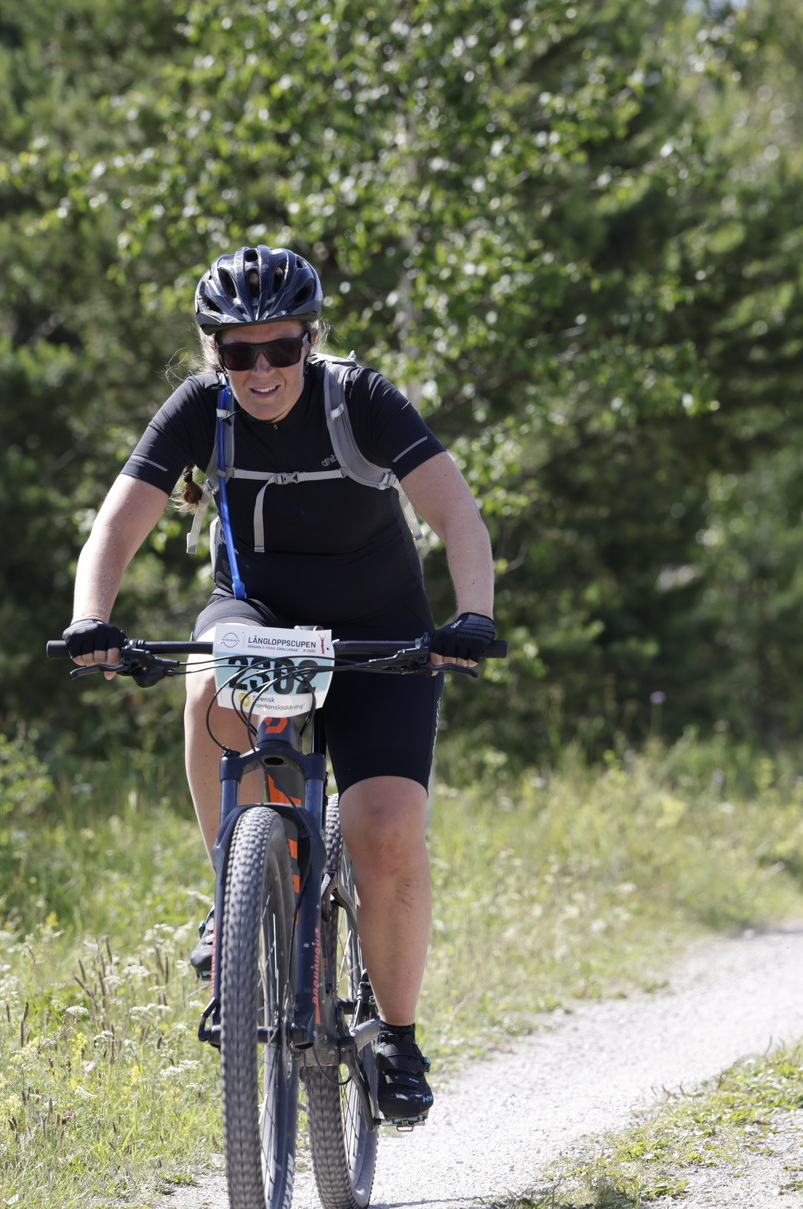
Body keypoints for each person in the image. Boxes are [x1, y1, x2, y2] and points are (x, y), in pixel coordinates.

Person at [62, 245, 497, 1125]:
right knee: (208, 687)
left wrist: (473, 618)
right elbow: (117, 524)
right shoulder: (202, 409)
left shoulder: (359, 399)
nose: (261, 371)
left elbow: (456, 512)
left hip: (380, 630)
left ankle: (398, 1037)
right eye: (238, 352)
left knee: (385, 833)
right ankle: (236, 888)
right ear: (214, 352)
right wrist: (90, 618)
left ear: (310, 341)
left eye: (282, 349)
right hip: (259, 616)